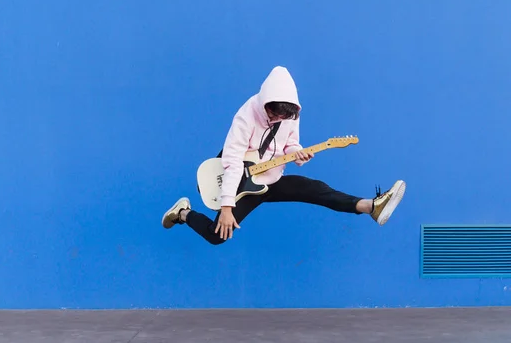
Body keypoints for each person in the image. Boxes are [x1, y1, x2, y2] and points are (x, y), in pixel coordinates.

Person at [161, 66, 406, 245]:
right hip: (239, 181)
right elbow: (233, 161)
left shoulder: (290, 114)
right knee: (217, 235)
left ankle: (372, 206)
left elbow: (290, 143)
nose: (278, 120)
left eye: (283, 117)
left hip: (271, 178)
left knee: (315, 189)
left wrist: (296, 153)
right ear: (265, 103)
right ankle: (183, 212)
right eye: (274, 115)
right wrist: (227, 206)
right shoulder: (246, 116)